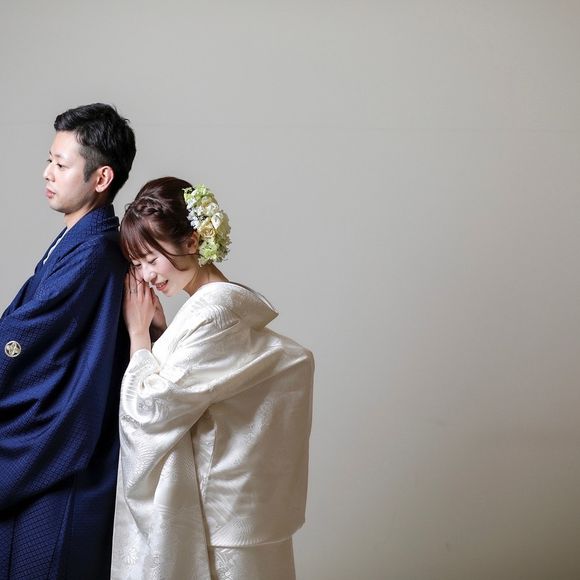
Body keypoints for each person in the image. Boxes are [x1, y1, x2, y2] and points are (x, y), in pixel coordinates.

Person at [111, 177, 314, 580]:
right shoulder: (208, 311)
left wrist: (138, 336)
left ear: (192, 241)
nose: (146, 275)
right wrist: (161, 334)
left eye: (151, 259)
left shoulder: (215, 314)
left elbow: (149, 411)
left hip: (218, 520)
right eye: (137, 264)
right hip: (230, 511)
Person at [0, 103, 136, 579]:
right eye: (49, 160)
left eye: (61, 164)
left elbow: (24, 337)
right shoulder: (78, 240)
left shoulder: (94, 251)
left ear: (101, 178)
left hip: (59, 453)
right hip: (54, 446)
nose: (47, 173)